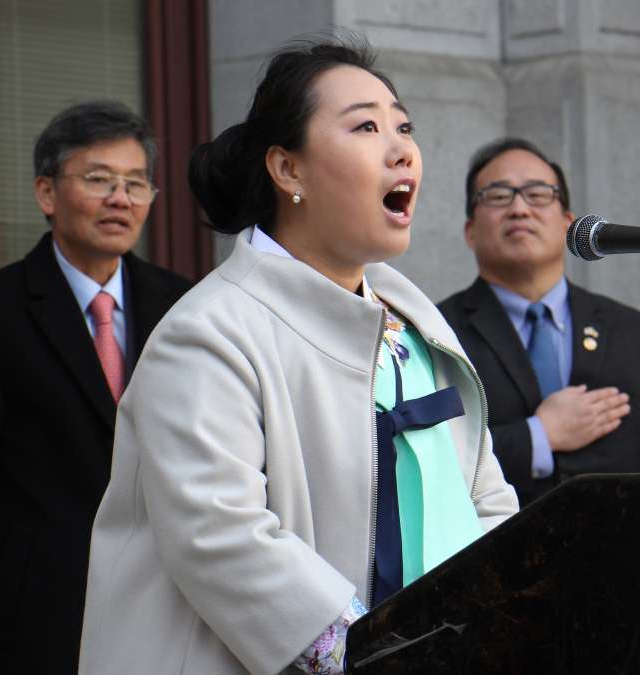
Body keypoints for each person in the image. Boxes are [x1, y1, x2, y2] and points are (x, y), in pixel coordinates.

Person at [80, 37, 518, 675]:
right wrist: (376, 653)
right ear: (288, 170)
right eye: (366, 126)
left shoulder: (413, 322)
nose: (401, 148)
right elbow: (221, 538)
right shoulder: (208, 332)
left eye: (404, 126)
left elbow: (484, 496)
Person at [0, 101, 191, 674]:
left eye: (136, 184)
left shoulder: (186, 307)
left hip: (168, 616)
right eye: (98, 180)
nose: (121, 198)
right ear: (47, 193)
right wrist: (10, 589)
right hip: (33, 630)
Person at [437, 138, 640, 505]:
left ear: (568, 223)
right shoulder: (436, 334)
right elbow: (428, 469)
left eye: (537, 194)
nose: (519, 208)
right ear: (470, 230)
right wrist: (538, 437)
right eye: (498, 196)